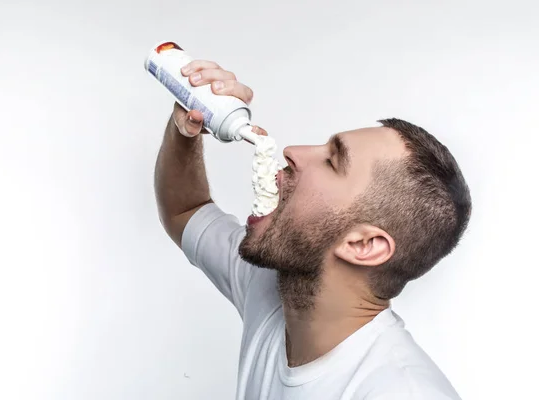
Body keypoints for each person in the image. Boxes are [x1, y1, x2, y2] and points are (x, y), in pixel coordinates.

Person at [154, 59, 471, 400]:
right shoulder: (277, 288)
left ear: (364, 245)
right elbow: (185, 209)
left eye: (333, 162)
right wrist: (187, 128)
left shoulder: (399, 392)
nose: (293, 152)